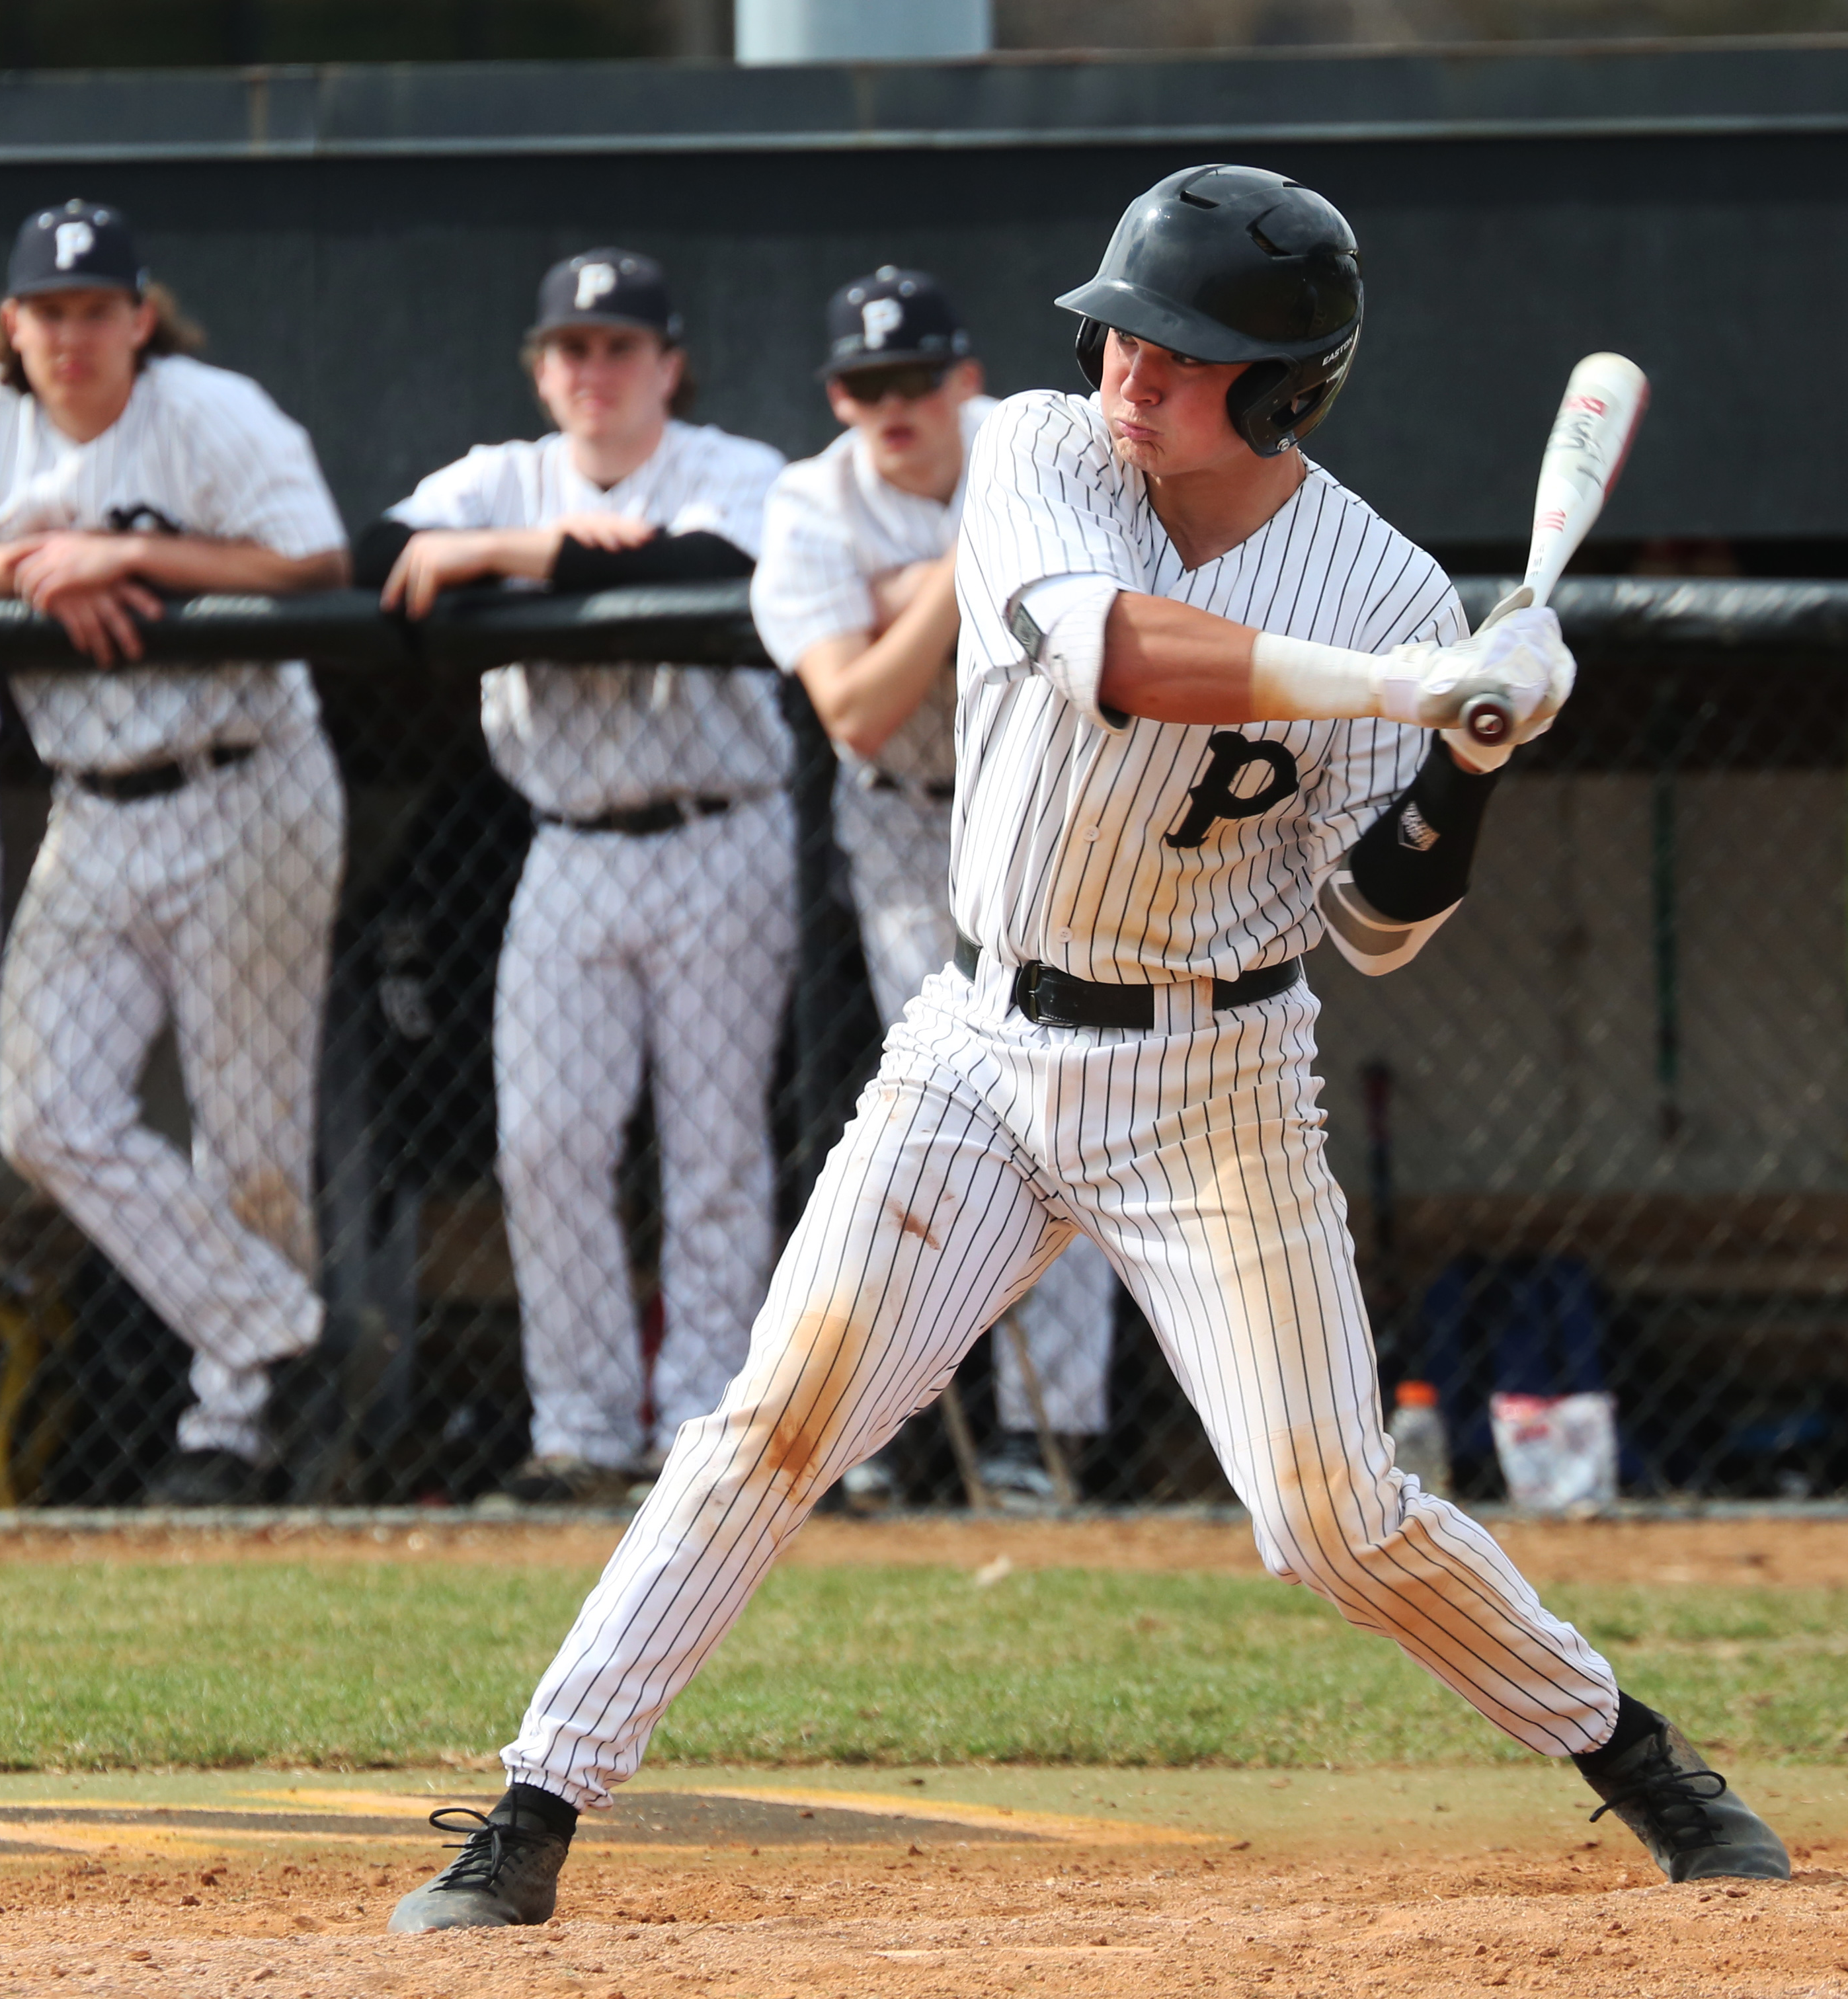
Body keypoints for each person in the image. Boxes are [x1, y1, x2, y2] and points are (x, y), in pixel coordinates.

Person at [387, 165, 1788, 1932]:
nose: (1131, 366)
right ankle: (531, 1811)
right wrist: (1410, 692)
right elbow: (1106, 654)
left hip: (1215, 1084)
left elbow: (1378, 924)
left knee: (1330, 1520)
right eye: (1124, 328)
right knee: (775, 1418)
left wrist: (1472, 756)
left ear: (1284, 389)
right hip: (978, 1044)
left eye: (1181, 351)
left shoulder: (1390, 589)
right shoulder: (1042, 445)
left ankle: (1639, 1760)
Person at [0, 200, 350, 1506]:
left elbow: (315, 555)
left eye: (98, 310)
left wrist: (130, 549)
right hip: (92, 801)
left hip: (244, 779)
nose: (72, 335)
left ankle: (237, 1428)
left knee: (249, 1137)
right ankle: (281, 1332)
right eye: (50, 312)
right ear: (12, 324)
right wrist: (37, 564)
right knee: (43, 1116)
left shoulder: (208, 409)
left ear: (140, 318)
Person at [354, 249, 787, 1507]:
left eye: (621, 348)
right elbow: (377, 553)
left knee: (711, 1153)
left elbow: (712, 573)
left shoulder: (730, 468)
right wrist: (539, 541)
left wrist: (510, 562)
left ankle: (698, 1430)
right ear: (543, 371)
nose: (595, 371)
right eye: (574, 350)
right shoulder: (504, 478)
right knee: (546, 1145)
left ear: (669, 363)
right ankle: (583, 1428)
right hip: (570, 839)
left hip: (722, 832)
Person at [751, 265, 1117, 1508]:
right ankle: (889, 1427)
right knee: (939, 1130)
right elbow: (854, 709)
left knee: (1065, 1117)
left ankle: (1048, 1429)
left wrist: (915, 589)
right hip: (910, 824)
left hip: (1054, 813)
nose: (894, 405)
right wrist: (975, 562)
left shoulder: (1035, 443)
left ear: (965, 379)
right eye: (867, 384)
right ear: (839, 397)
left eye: (917, 380)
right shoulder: (812, 497)